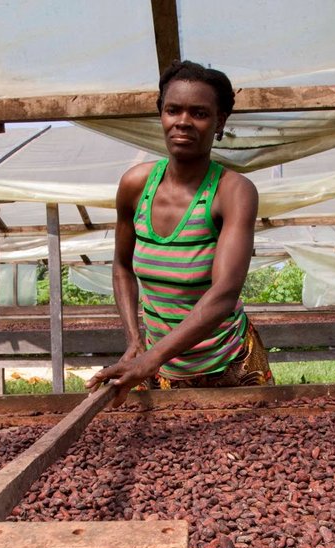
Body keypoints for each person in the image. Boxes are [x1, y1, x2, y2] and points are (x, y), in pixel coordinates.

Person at [86, 60, 272, 405]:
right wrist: (135, 342)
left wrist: (151, 358)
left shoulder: (232, 191)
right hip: (158, 367)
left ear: (220, 122)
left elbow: (224, 294)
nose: (183, 122)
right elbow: (122, 267)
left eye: (199, 113)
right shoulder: (135, 185)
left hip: (229, 363)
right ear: (161, 115)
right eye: (173, 110)